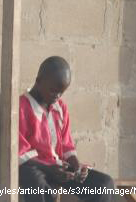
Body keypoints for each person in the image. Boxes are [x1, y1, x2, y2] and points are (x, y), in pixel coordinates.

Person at [19, 56, 114, 202]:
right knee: (33, 179)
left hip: (59, 168)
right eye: (53, 91)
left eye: (61, 92)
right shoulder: (22, 107)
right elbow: (21, 154)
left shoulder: (60, 107)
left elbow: (66, 144)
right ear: (38, 81)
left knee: (104, 184)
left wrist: (76, 166)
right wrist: (48, 169)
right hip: (38, 169)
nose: (57, 96)